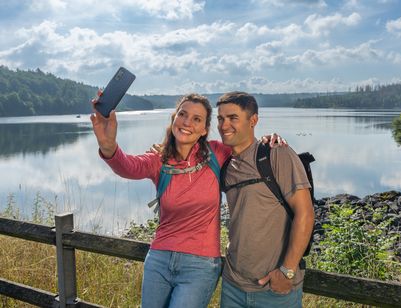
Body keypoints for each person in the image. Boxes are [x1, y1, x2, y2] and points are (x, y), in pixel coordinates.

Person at [90, 93, 283, 308]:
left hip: (200, 265)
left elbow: (246, 144)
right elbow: (128, 166)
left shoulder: (217, 153)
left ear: (204, 130)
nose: (187, 122)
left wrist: (269, 139)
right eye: (182, 114)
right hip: (159, 260)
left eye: (197, 119)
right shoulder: (159, 159)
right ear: (174, 119)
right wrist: (108, 145)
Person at [216, 92, 315, 308]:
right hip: (233, 286)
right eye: (220, 118)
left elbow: (305, 214)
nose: (224, 125)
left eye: (233, 118)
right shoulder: (225, 165)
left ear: (253, 121)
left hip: (274, 291)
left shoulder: (276, 154)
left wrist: (286, 271)